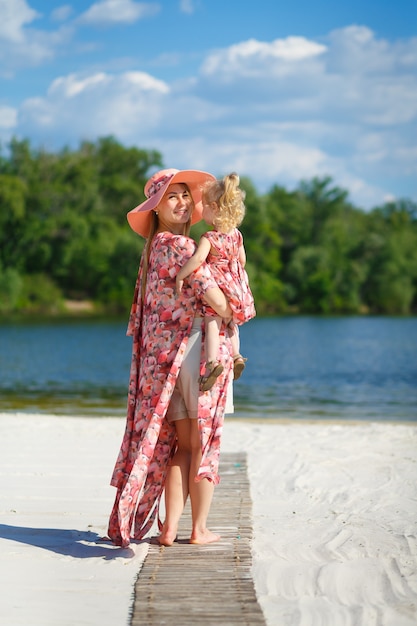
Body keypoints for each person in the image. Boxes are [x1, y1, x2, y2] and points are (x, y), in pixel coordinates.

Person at [107, 168, 234, 548]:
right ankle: (198, 530)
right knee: (203, 442)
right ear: (157, 208)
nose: (181, 202)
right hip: (193, 352)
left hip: (162, 365)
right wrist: (236, 303)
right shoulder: (180, 248)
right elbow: (217, 303)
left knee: (184, 446)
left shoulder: (152, 251)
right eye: (171, 196)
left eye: (184, 195)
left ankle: (169, 528)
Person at [176, 172, 256, 391]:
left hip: (219, 286)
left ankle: (212, 362)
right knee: (232, 323)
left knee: (213, 322)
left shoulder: (209, 238)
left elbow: (198, 259)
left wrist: (181, 275)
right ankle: (237, 355)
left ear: (213, 207)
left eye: (203, 206)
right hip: (236, 286)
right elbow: (242, 260)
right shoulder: (237, 235)